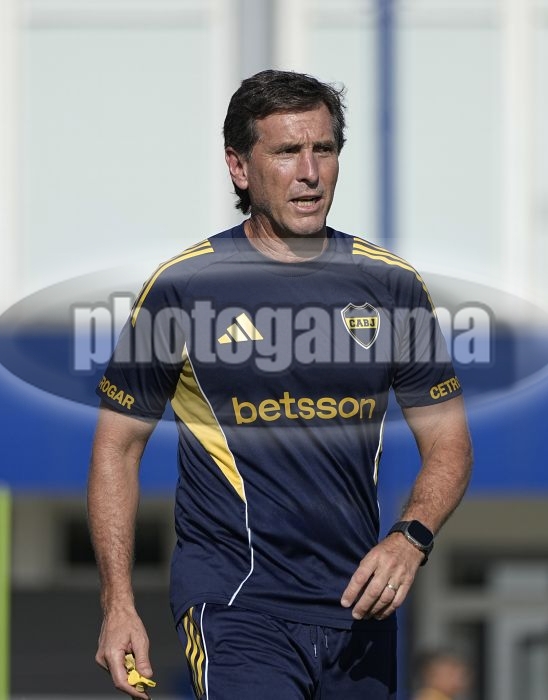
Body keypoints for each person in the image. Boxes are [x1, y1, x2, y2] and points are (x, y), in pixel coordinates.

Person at [88, 69, 473, 700]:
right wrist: (118, 602)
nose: (310, 173)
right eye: (288, 152)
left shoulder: (392, 286)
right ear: (239, 167)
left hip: (359, 609)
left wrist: (411, 538)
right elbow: (117, 446)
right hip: (237, 603)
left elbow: (449, 443)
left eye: (324, 149)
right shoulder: (183, 288)